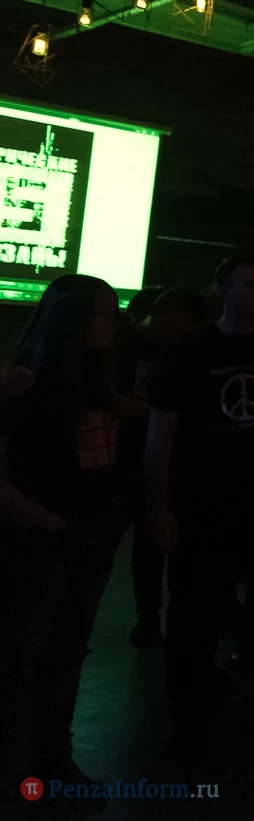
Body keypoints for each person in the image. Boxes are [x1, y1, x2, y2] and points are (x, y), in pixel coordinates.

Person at [146, 254, 254, 758]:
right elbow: (161, 435)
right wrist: (160, 507)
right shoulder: (190, 352)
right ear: (225, 290)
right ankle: (189, 722)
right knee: (193, 617)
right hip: (203, 506)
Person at [0, 275, 124, 786]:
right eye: (102, 313)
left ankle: (45, 760)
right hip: (44, 535)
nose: (111, 323)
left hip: (77, 529)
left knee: (62, 647)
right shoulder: (28, 382)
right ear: (73, 318)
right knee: (36, 648)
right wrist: (46, 522)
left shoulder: (84, 374)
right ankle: (30, 764)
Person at [114, 287, 210, 647]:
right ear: (160, 313)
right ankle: (149, 615)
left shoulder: (169, 348)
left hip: (151, 454)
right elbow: (105, 397)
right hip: (121, 457)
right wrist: (166, 417)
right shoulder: (122, 344)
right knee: (140, 539)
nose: (178, 337)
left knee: (150, 541)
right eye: (176, 328)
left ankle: (149, 615)